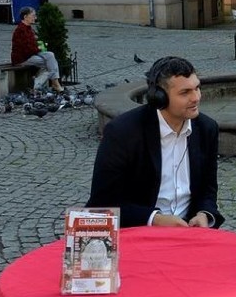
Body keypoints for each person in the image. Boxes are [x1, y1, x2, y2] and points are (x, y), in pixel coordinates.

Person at [87, 56, 223, 230]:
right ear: (159, 97)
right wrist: (154, 219)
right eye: (185, 92)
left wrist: (204, 213)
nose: (196, 97)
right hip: (137, 231)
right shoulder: (122, 132)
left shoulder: (206, 128)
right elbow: (101, 203)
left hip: (189, 232)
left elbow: (208, 189)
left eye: (197, 88)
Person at [10, 6, 64, 93]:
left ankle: (52, 83)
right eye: (33, 15)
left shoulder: (29, 28)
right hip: (22, 58)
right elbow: (28, 49)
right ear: (25, 17)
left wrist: (38, 44)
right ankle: (50, 84)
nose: (35, 17)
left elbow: (34, 46)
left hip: (32, 54)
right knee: (50, 64)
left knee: (50, 55)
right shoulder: (21, 30)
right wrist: (38, 47)